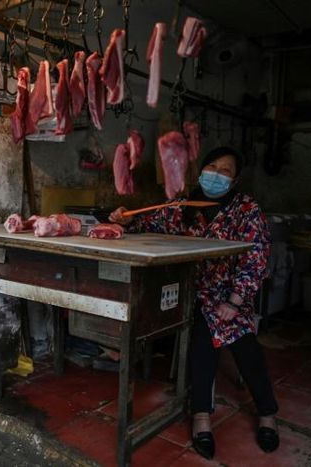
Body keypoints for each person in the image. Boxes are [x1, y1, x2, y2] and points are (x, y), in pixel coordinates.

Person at [109, 147, 279, 460]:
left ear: (235, 178)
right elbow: (148, 223)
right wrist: (122, 220)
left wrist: (234, 301)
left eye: (225, 170)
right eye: (211, 166)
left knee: (243, 341)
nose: (216, 173)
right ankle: (202, 416)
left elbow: (256, 258)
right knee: (202, 332)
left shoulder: (246, 209)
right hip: (193, 292)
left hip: (231, 295)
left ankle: (266, 413)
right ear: (200, 171)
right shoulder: (182, 205)